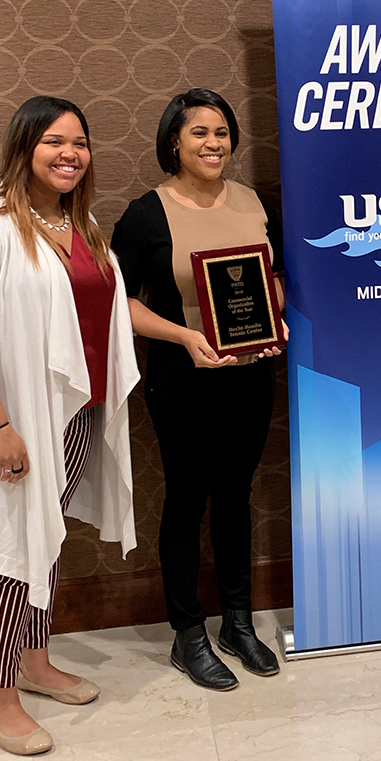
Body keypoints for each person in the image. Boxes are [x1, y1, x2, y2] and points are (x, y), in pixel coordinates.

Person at [0, 96, 139, 755]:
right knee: (15, 548)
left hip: (74, 414)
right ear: (24, 145)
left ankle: (33, 659)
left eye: (79, 143)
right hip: (15, 421)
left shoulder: (73, 223)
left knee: (45, 539)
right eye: (54, 140)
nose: (69, 154)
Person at [111, 87, 285, 691]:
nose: (214, 144)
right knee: (188, 500)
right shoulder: (144, 214)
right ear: (173, 143)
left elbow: (274, 275)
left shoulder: (253, 201)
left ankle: (238, 622)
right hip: (182, 377)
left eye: (221, 132)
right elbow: (121, 303)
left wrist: (276, 315)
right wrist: (185, 337)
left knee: (236, 496)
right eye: (199, 134)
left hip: (250, 373)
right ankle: (189, 634)